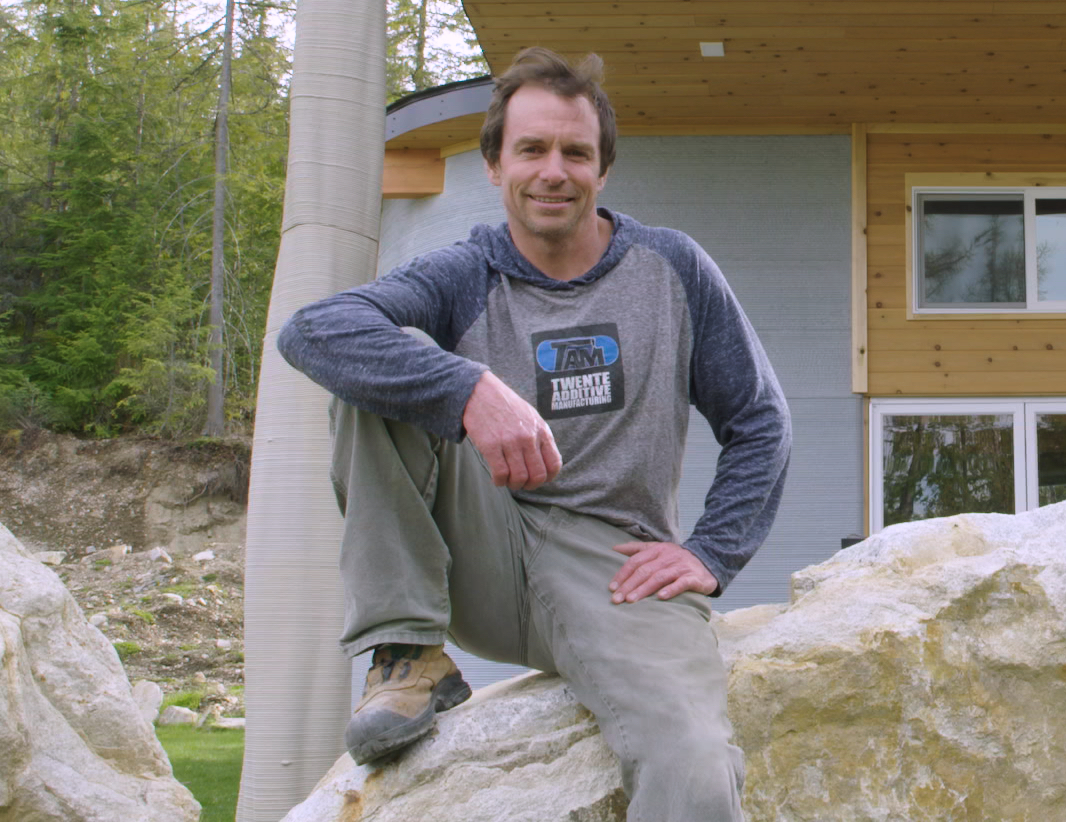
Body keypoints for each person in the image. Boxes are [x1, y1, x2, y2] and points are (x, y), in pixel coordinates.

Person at [278, 47, 789, 821]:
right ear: (493, 164)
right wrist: (468, 387)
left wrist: (711, 552)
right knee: (377, 363)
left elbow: (761, 422)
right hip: (482, 545)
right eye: (532, 149)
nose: (554, 170)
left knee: (694, 767)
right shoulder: (461, 273)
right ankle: (407, 654)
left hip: (616, 570)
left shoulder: (671, 269)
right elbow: (315, 331)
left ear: (602, 169)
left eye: (575, 152)